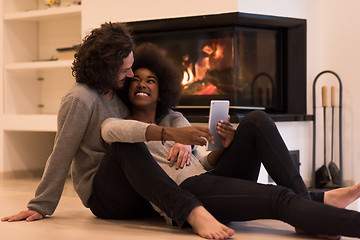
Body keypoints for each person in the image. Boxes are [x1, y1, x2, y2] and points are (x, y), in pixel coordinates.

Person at [101, 42, 360, 239]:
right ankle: (322, 211)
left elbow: (203, 163)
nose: (142, 84)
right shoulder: (122, 127)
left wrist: (226, 146)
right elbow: (111, 132)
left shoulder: (173, 118)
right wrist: (174, 136)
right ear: (127, 88)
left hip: (208, 179)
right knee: (278, 198)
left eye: (150, 80)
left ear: (162, 89)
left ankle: (309, 210)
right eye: (135, 80)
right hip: (190, 193)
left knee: (256, 119)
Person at [1, 22, 236, 240]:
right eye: (126, 69)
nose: (132, 75)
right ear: (107, 67)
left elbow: (161, 116)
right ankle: (191, 212)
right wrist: (40, 206)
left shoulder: (119, 90)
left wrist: (185, 139)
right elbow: (61, 152)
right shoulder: (80, 99)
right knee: (124, 143)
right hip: (104, 194)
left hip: (134, 184)